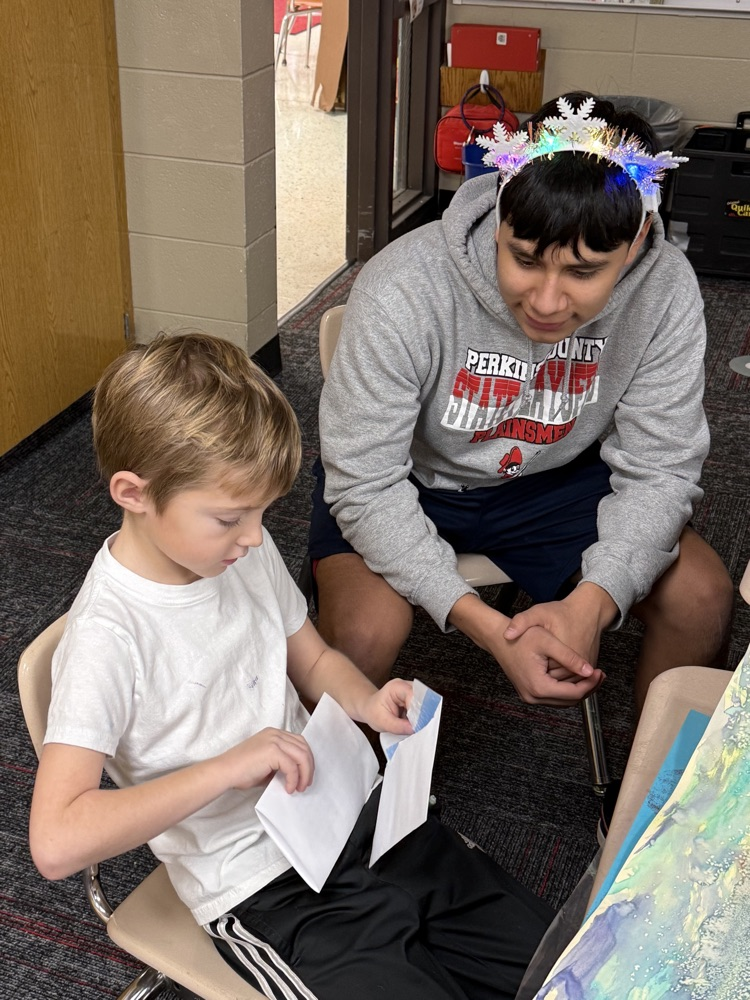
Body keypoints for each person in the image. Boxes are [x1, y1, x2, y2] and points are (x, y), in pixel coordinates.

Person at [29, 333, 553, 1000]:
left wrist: (365, 702)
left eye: (261, 513)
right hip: (266, 887)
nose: (254, 536)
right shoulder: (106, 640)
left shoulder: (237, 552)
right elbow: (56, 841)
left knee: (567, 965)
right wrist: (227, 768)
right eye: (230, 517)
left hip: (354, 812)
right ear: (134, 493)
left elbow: (316, 659)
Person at [310, 92, 733, 713]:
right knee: (362, 635)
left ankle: (663, 778)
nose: (547, 301)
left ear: (637, 237)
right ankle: (319, 775)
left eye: (583, 272)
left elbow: (661, 467)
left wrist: (594, 603)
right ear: (501, 213)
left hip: (551, 478)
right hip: (409, 479)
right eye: (524, 259)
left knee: (702, 598)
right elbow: (364, 480)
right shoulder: (403, 284)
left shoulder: (664, 288)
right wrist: (490, 630)